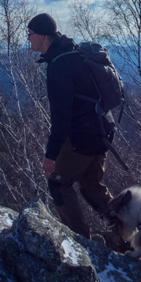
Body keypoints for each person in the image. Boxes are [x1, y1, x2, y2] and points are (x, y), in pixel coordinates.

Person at [30, 12, 113, 239]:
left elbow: (61, 115)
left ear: (43, 36)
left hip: (83, 135)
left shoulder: (59, 65)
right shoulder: (72, 53)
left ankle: (80, 240)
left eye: (30, 34)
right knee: (90, 185)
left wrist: (52, 153)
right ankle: (127, 235)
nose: (28, 38)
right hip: (103, 128)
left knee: (58, 184)